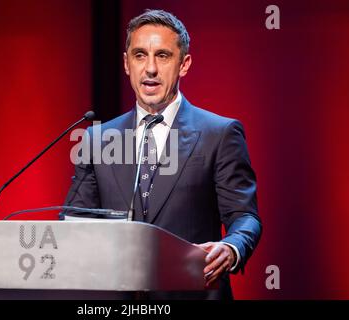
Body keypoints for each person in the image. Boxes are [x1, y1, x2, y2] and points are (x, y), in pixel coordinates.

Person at [63, 9, 262, 300]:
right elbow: (76, 221)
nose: (151, 69)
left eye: (163, 56)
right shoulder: (97, 138)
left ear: (184, 64)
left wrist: (231, 248)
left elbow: (244, 216)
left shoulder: (219, 133)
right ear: (126, 64)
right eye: (140, 55)